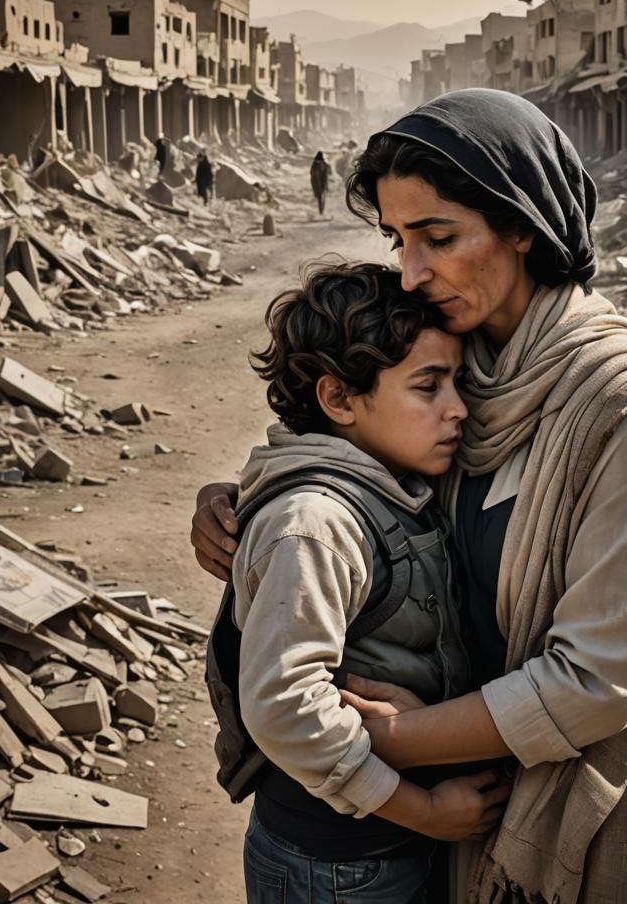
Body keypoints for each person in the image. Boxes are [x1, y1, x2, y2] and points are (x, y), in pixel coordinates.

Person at [191, 89, 627, 903]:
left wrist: (396, 741)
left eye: (438, 237)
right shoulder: (469, 365)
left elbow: (597, 681)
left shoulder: (620, 418)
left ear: (523, 227)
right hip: (470, 813)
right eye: (398, 240)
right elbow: (350, 449)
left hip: (590, 812)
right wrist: (243, 499)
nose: (412, 272)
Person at [208, 261, 507, 904]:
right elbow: (286, 710)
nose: (458, 409)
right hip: (337, 867)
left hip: (376, 851)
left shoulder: (387, 480)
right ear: (339, 399)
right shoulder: (314, 523)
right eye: (429, 386)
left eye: (457, 382)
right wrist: (425, 810)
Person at [310, 150, 332, 215]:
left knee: (320, 195)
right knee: (321, 196)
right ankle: (321, 211)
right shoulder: (324, 163)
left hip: (319, 182)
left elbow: (311, 173)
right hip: (320, 182)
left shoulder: (315, 164)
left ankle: (321, 211)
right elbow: (330, 172)